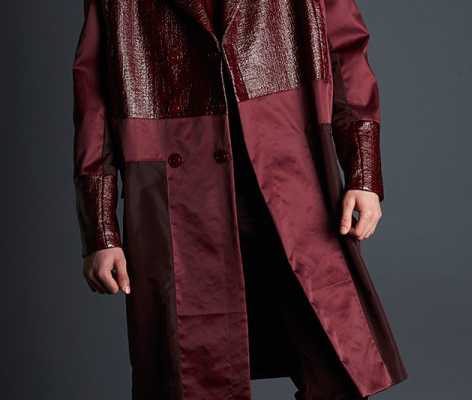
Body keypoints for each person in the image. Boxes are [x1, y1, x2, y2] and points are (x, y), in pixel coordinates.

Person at [72, 1, 408, 399]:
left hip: (290, 179)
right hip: (178, 202)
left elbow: (345, 49)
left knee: (340, 367)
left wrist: (363, 174)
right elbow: (94, 96)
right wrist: (100, 229)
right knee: (197, 379)